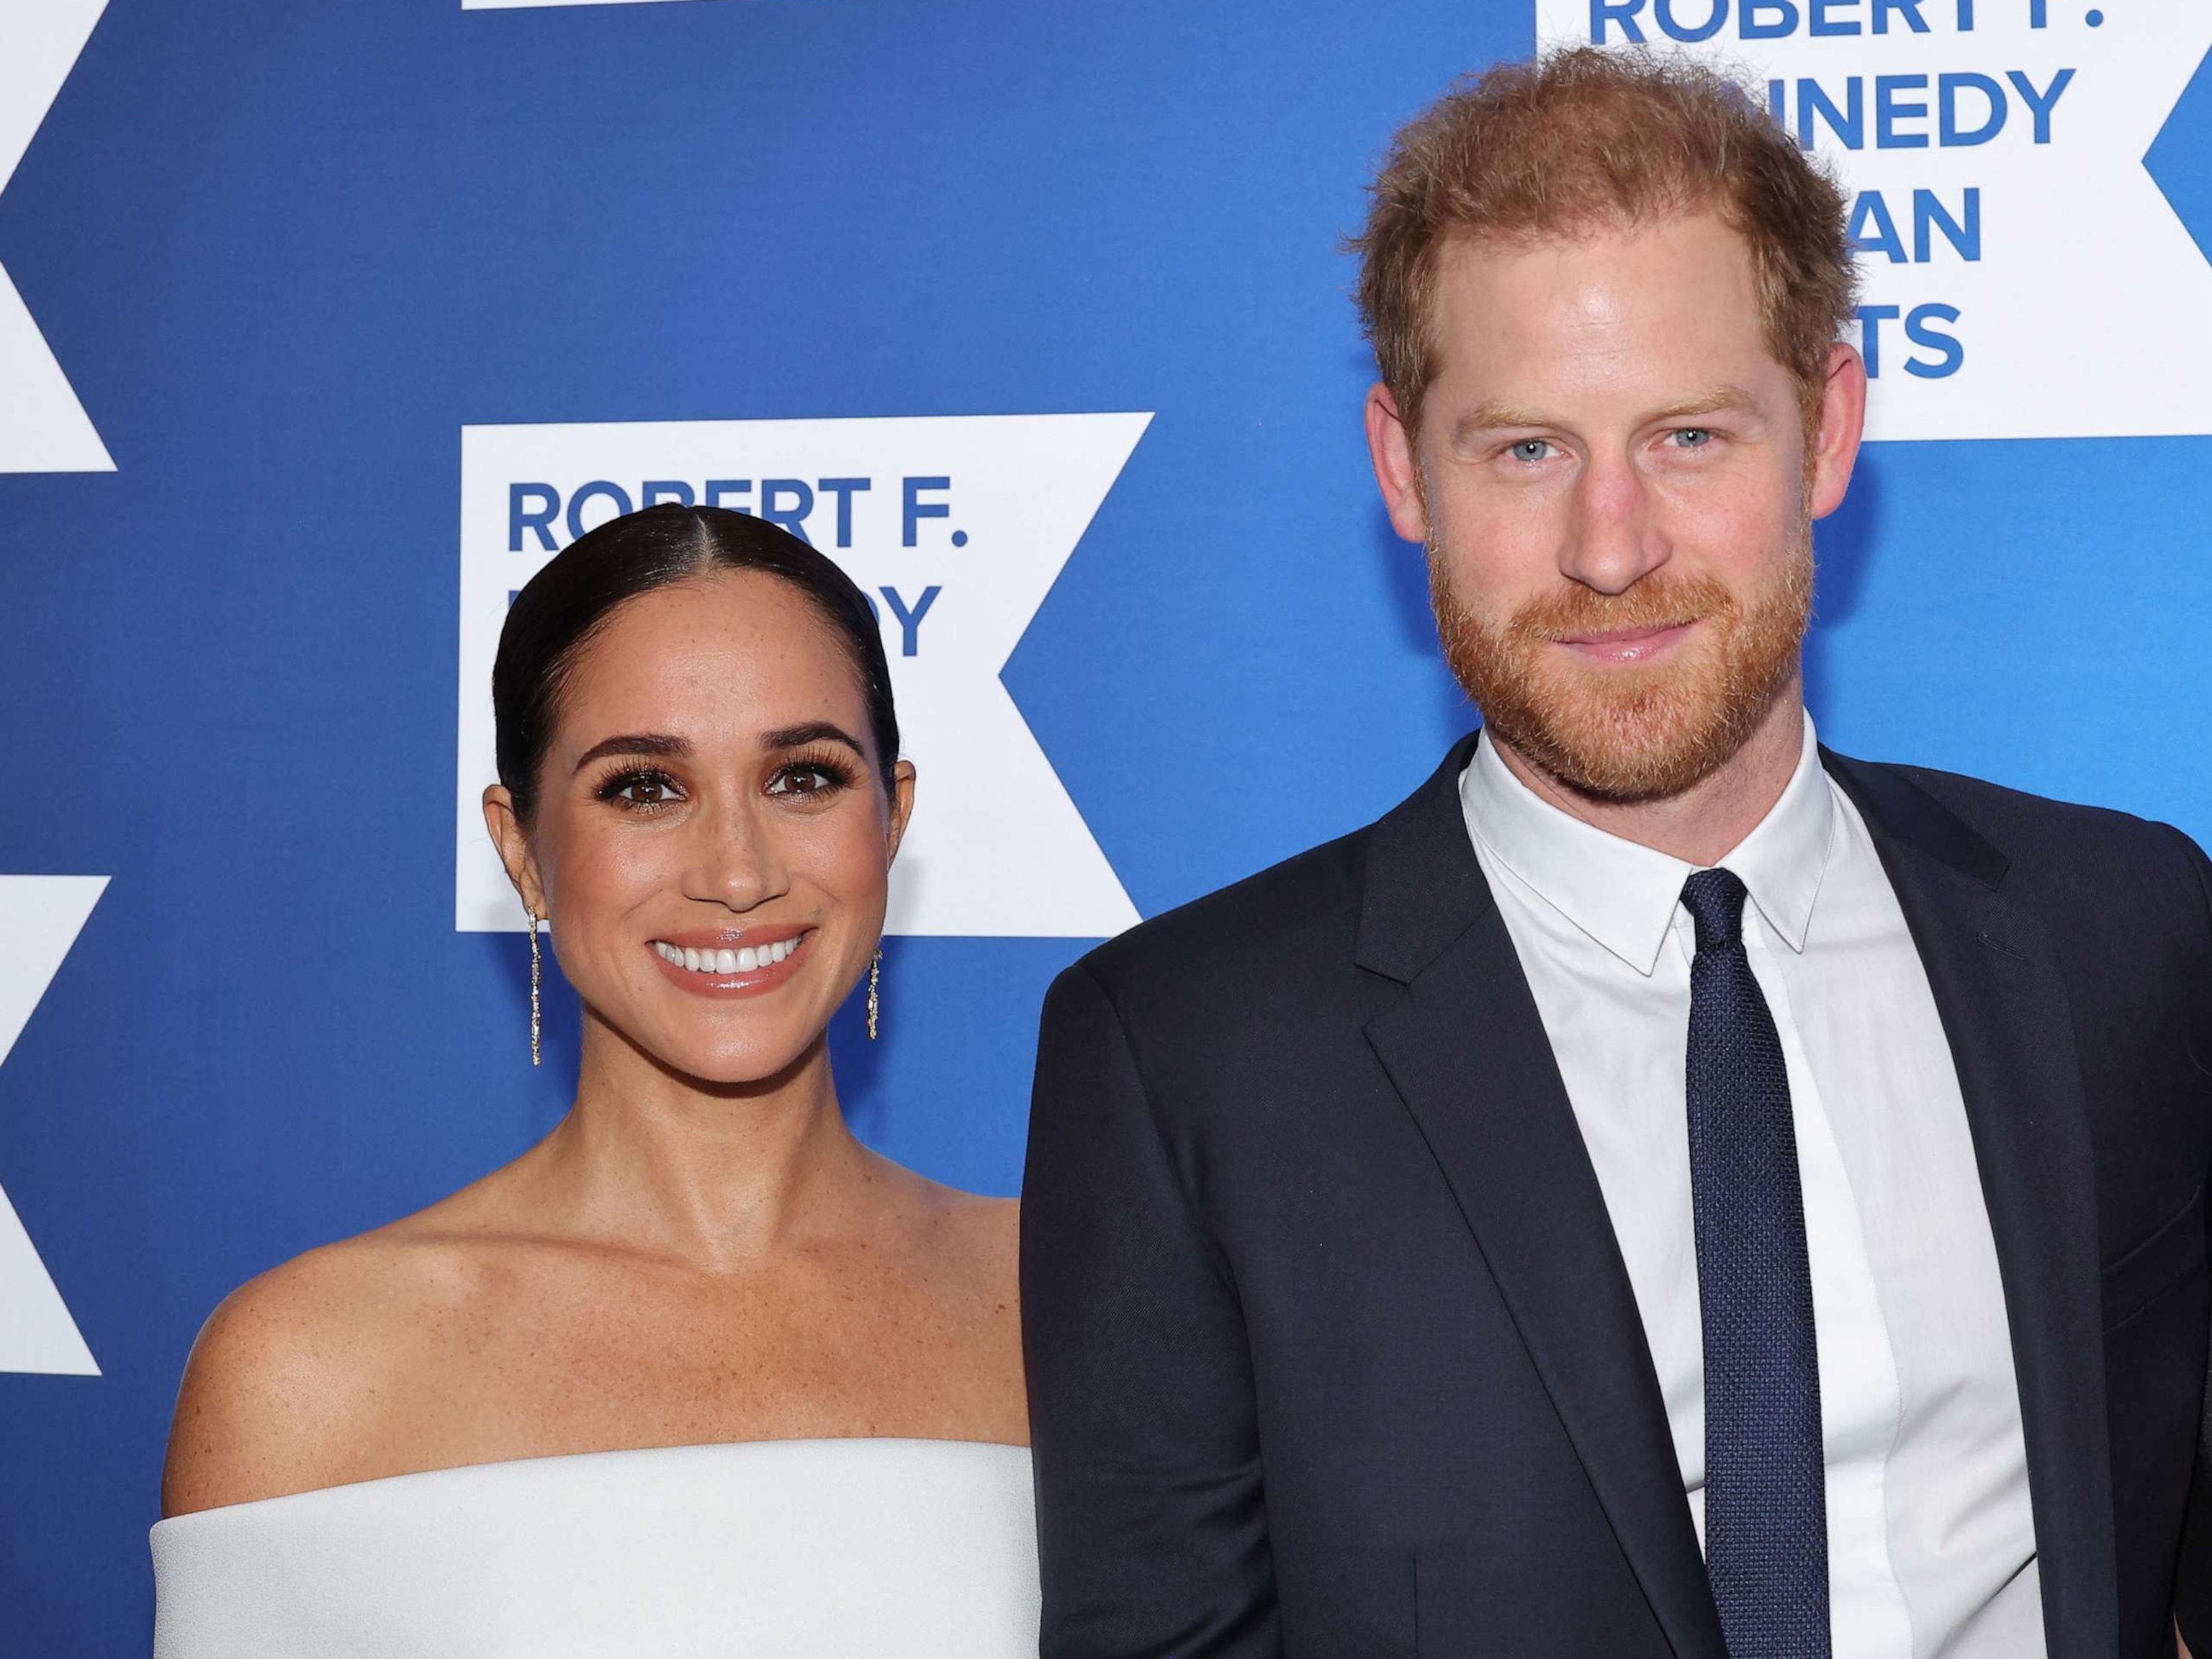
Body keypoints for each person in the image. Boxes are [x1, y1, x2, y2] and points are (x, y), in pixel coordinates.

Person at [1022, 48, 2212, 1659]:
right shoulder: (1185, 1057)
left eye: (1690, 439)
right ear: (1401, 470)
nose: (1609, 547)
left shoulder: (2124, 929)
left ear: (1832, 427)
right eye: (1525, 450)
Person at [152, 505, 1034, 1657]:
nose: (738, 872)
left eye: (803, 777)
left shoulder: (1080, 1298)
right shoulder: (308, 1368)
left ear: (892, 815)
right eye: (642, 789)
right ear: (520, 849)